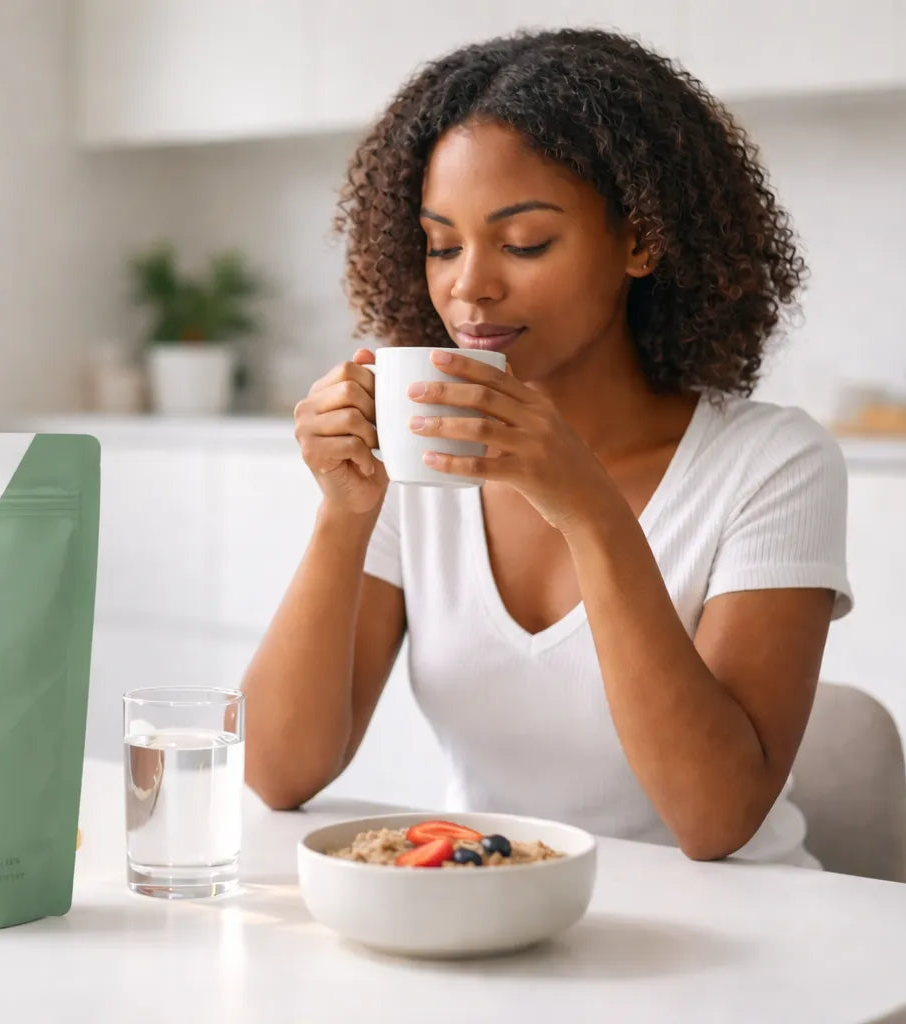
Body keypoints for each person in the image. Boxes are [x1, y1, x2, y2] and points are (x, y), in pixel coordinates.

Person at [240, 28, 852, 867]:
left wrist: (588, 509)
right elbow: (276, 772)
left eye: (524, 242)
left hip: (734, 943)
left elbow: (716, 819)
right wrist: (344, 513)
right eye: (442, 244)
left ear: (641, 240)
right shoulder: (421, 464)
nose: (468, 286)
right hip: (496, 920)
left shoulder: (770, 465)